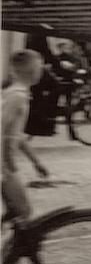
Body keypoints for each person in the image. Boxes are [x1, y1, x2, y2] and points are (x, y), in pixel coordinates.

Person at [2, 50, 47, 222]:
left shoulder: (11, 93)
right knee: (24, 212)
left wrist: (36, 162)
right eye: (40, 67)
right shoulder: (18, 97)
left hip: (5, 167)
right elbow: (3, 131)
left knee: (14, 212)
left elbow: (16, 136)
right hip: (4, 168)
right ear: (35, 72)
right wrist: (8, 166)